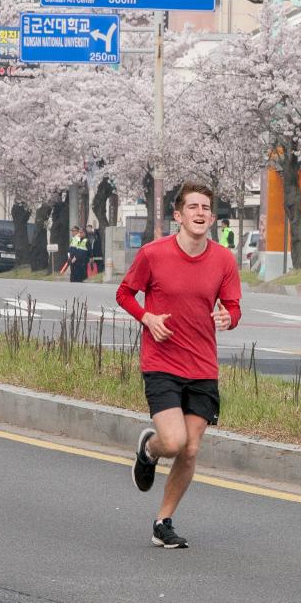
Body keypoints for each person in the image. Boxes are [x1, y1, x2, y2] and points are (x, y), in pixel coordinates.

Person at [118, 182, 242, 549]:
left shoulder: (223, 260)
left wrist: (227, 318)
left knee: (190, 450)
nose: (200, 213)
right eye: (193, 207)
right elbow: (124, 293)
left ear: (212, 217)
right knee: (173, 442)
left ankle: (163, 521)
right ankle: (150, 450)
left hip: (203, 367)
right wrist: (147, 318)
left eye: (206, 207)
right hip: (162, 361)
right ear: (178, 215)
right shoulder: (153, 254)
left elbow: (233, 307)